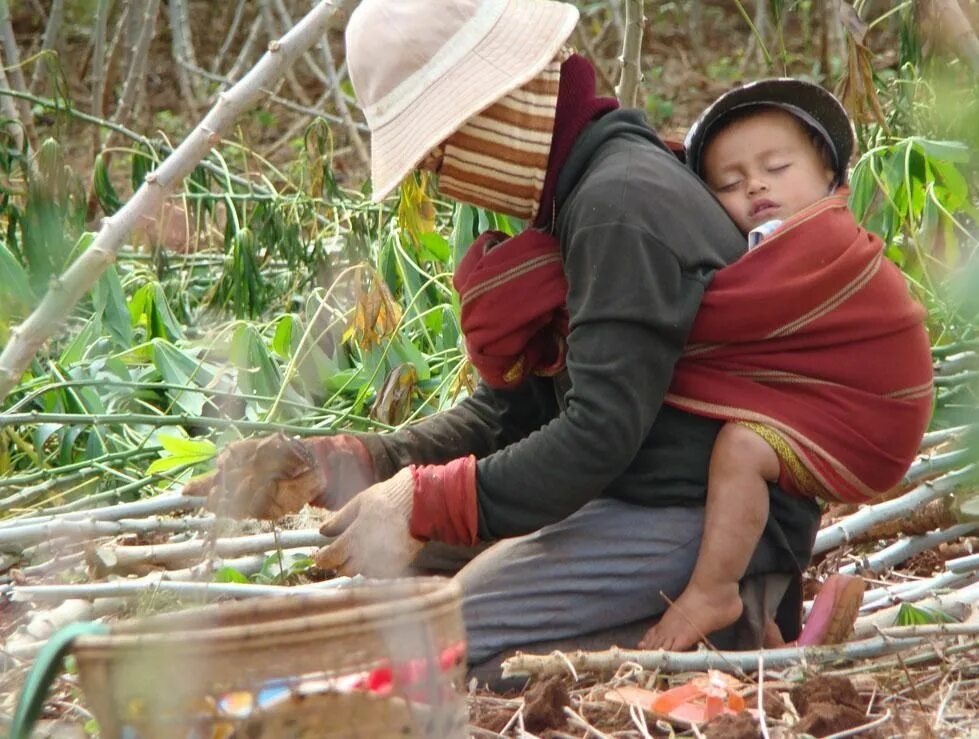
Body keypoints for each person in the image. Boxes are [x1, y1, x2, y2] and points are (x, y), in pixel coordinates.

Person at [184, 0, 831, 678]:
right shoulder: (578, 191)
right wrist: (348, 463)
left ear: (491, 108)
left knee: (435, 645)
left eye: (437, 154)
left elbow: (597, 434)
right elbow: (509, 412)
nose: (440, 178)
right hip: (624, 499)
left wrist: (428, 500)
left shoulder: (619, 204)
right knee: (392, 576)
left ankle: (734, 631)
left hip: (699, 520)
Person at [639, 80, 933, 650]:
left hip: (867, 413)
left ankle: (712, 589)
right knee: (747, 472)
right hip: (820, 407)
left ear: (828, 173)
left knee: (741, 447)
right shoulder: (756, 244)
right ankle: (769, 637)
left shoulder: (821, 240)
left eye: (776, 166)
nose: (754, 184)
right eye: (728, 182)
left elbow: (723, 317)